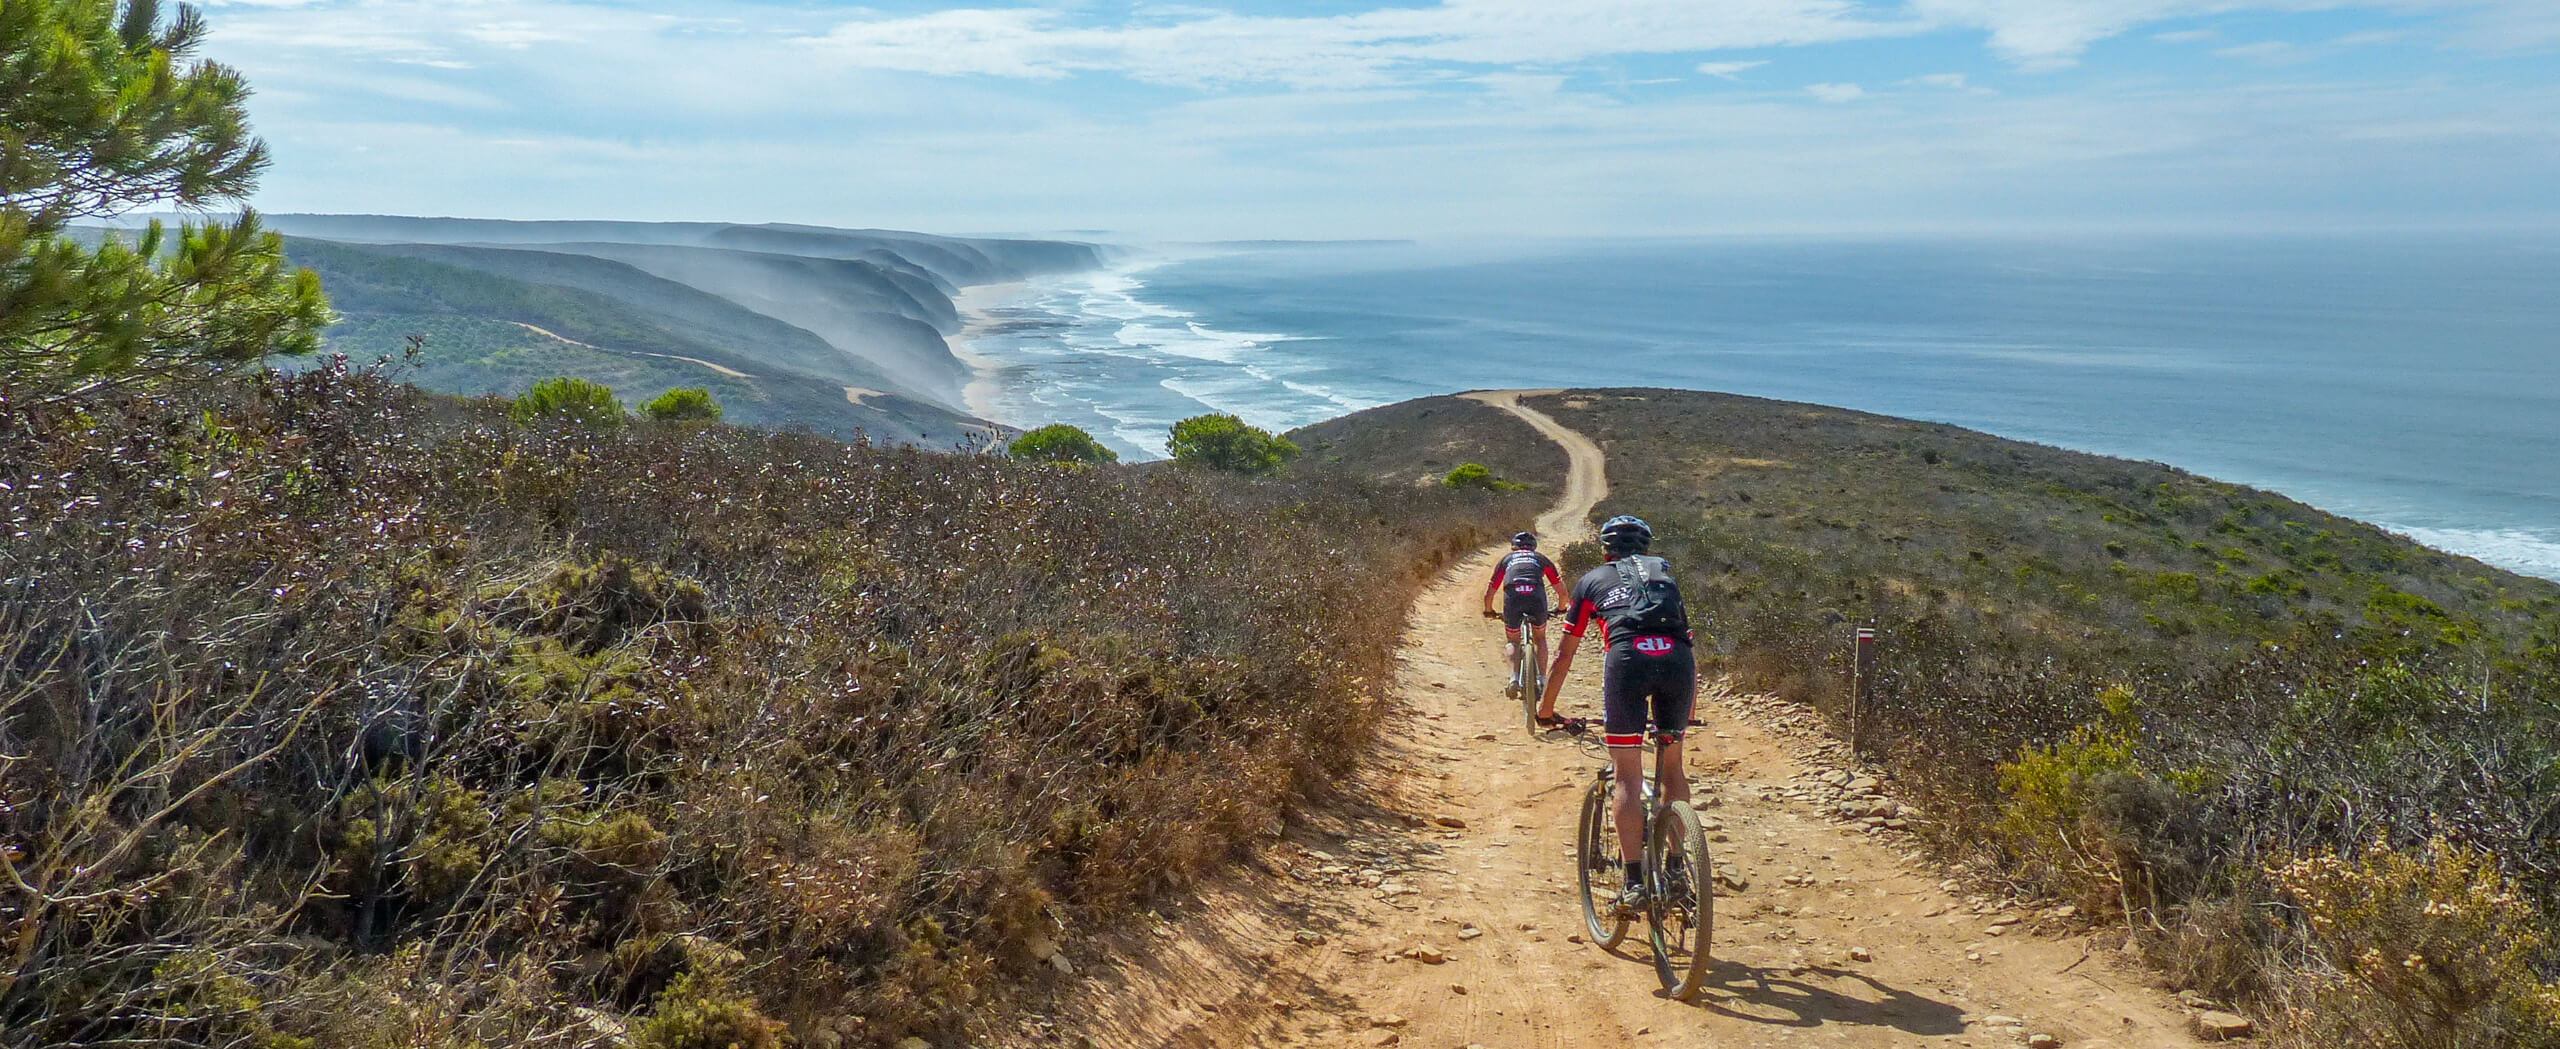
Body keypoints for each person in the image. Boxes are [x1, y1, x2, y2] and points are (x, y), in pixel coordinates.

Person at [1540, 515, 1696, 910]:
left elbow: (1564, 653)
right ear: (1645, 548)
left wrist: (1546, 708)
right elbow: (1686, 642)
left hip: (1628, 660)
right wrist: (1687, 713)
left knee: (1627, 773)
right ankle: (1677, 871)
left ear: (1605, 550)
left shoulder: (1592, 581)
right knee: (1673, 767)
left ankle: (1633, 884)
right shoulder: (1665, 576)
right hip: (1676, 664)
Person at [1482, 531, 1564, 698]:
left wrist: (1489, 610)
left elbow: (1490, 592)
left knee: (1513, 639)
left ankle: (1513, 679)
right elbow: (1562, 592)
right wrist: (1561, 608)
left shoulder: (1506, 560)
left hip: (1513, 599)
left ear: (1514, 547)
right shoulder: (1540, 559)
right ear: (1533, 547)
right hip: (1536, 598)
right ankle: (1541, 678)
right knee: (1540, 638)